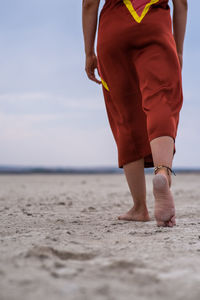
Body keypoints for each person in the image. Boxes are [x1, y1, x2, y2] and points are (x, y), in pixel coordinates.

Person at [82, 0, 188, 227]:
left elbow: (89, 3)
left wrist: (89, 52)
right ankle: (162, 172)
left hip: (113, 30)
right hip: (154, 24)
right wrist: (178, 49)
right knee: (161, 99)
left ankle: (140, 208)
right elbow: (182, 4)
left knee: (124, 115)